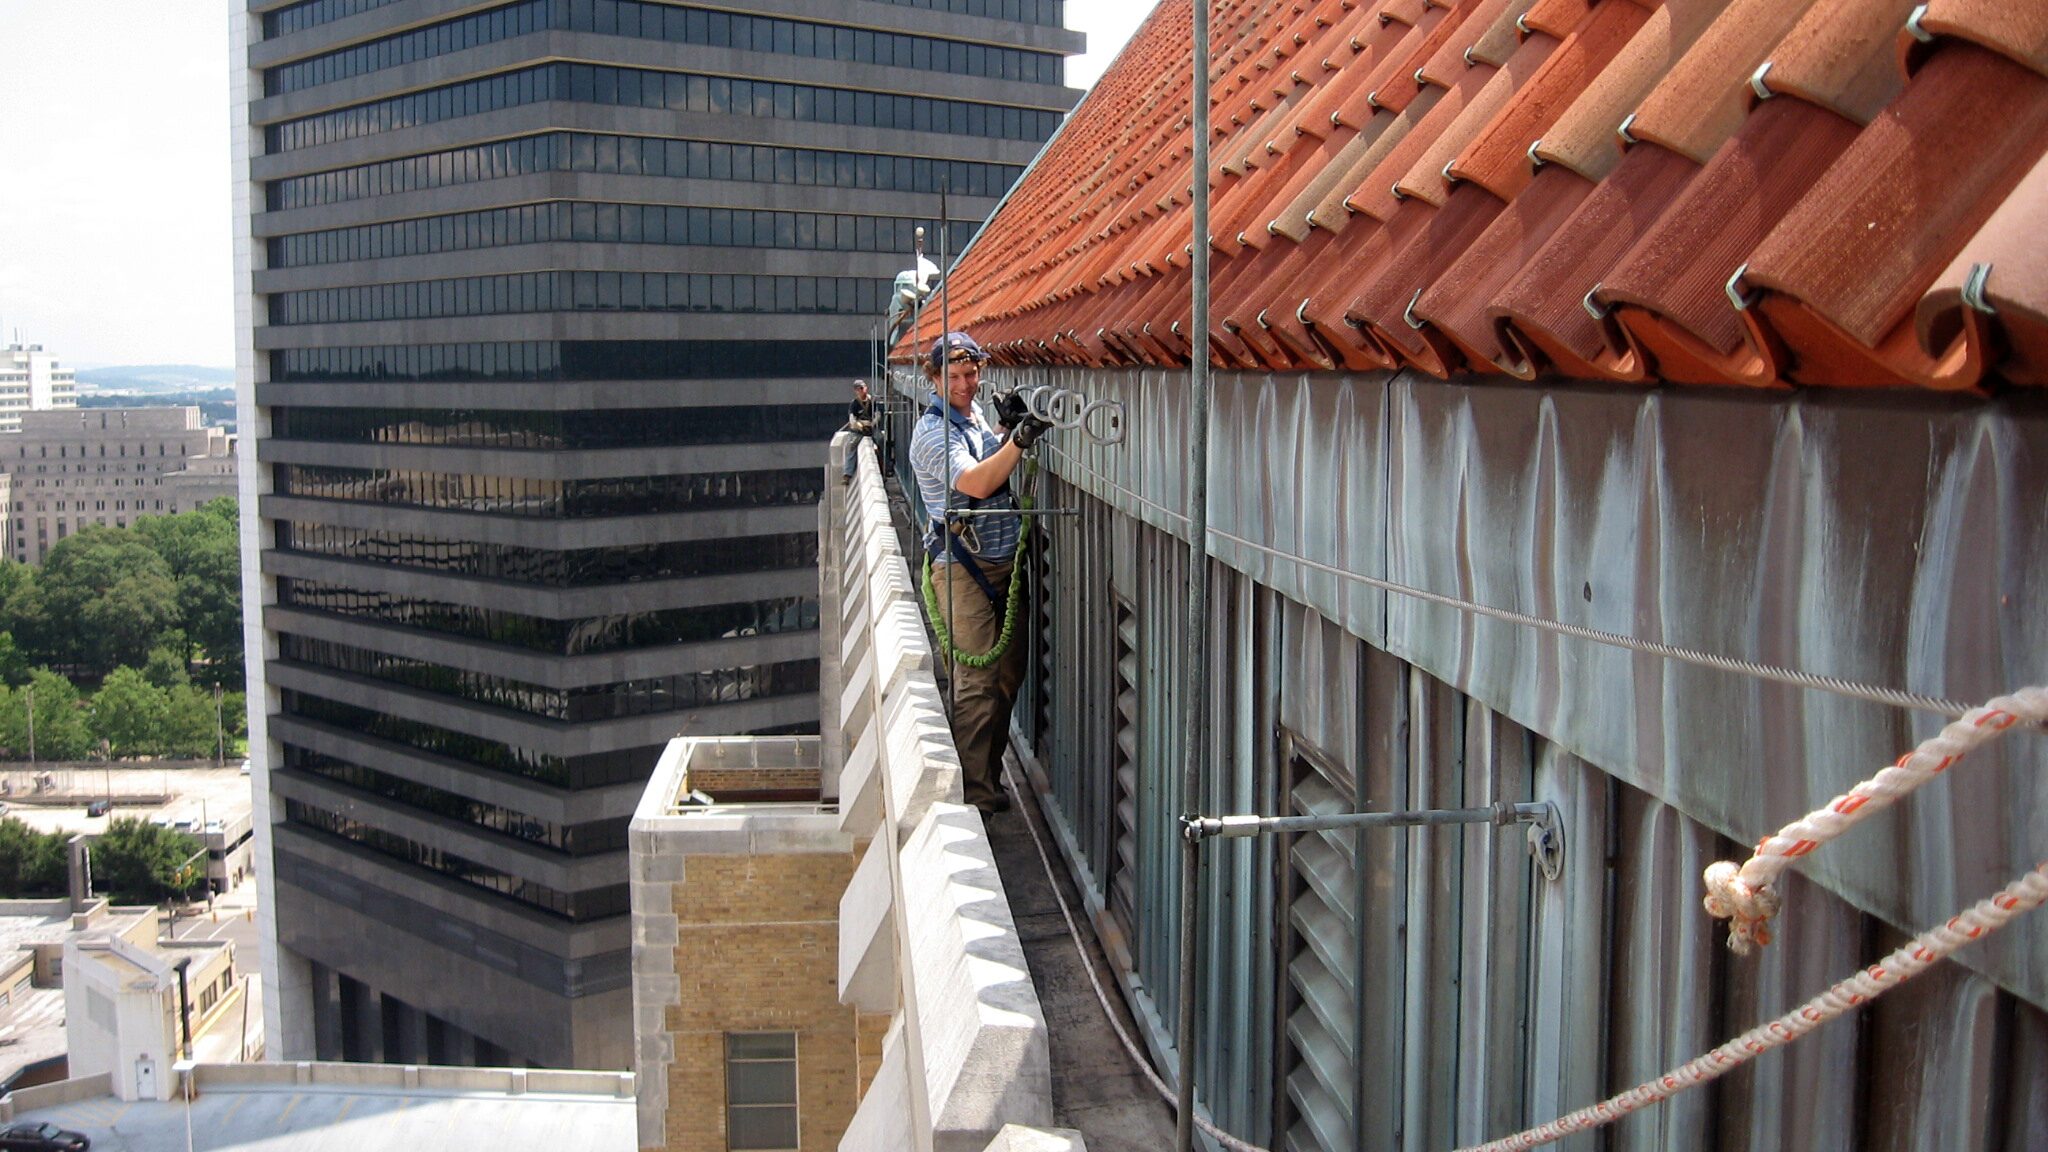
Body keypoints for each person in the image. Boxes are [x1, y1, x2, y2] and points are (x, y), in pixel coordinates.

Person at [909, 332, 1048, 815]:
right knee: (976, 682)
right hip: (964, 569)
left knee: (1008, 676)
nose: (967, 384)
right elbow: (980, 480)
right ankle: (975, 796)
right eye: (955, 377)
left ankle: (986, 776)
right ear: (933, 378)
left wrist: (1004, 431)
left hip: (1001, 565)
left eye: (972, 375)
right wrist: (1019, 440)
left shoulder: (970, 419)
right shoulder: (932, 435)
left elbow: (992, 460)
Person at [842, 380, 876, 482]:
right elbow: (852, 419)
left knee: (881, 440)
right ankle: (847, 474)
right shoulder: (854, 403)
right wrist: (861, 427)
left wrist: (872, 424)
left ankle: (887, 467)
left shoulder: (872, 401)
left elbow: (877, 414)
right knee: (852, 446)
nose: (861, 391)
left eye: (862, 388)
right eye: (858, 389)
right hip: (858, 430)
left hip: (871, 428)